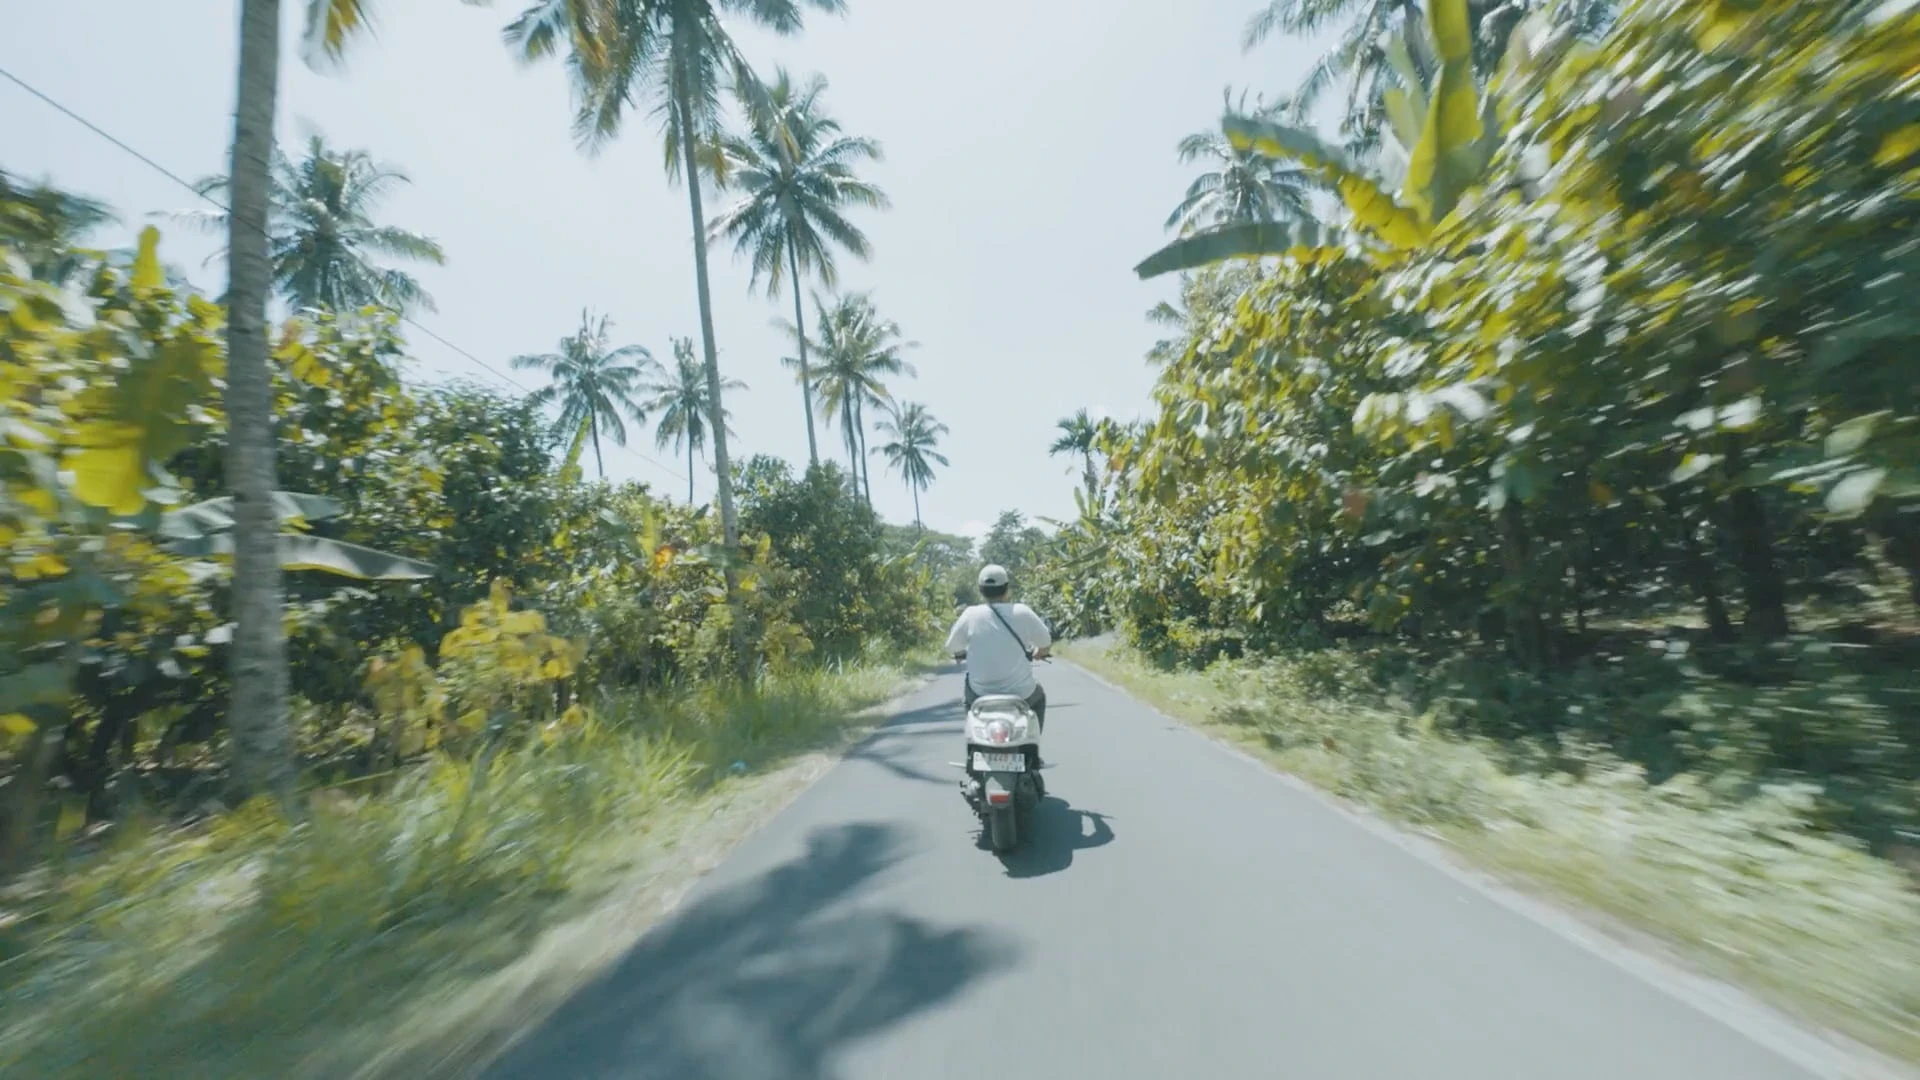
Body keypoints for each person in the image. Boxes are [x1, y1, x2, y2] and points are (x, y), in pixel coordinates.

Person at [945, 564, 1053, 732]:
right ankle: (1034, 745)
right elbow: (1045, 642)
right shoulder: (1022, 611)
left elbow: (952, 646)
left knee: (968, 702)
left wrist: (960, 653)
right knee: (1039, 696)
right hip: (1021, 694)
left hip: (980, 694)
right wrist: (1040, 653)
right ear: (1007, 589)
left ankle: (972, 745)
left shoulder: (971, 614)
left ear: (981, 590)